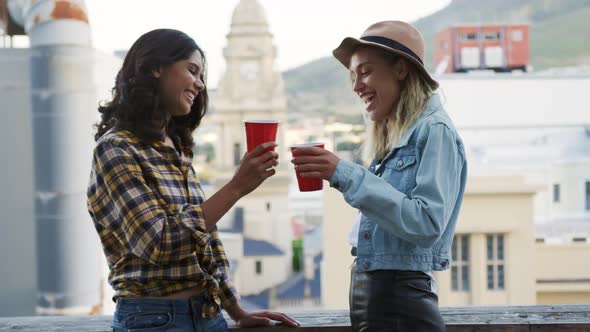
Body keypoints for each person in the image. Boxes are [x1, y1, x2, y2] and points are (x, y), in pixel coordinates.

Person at [87, 29, 299, 332]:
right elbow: (159, 243)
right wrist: (237, 187)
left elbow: (205, 239)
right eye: (192, 70)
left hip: (208, 315)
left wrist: (236, 311)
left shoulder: (175, 147)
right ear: (155, 68)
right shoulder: (116, 149)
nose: (200, 84)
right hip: (154, 319)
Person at [292, 21, 467, 331]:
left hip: (400, 302)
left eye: (366, 71)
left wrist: (343, 174)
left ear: (401, 69)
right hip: (383, 300)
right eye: (354, 76)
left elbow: (427, 224)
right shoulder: (399, 134)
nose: (357, 86)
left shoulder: (434, 131)